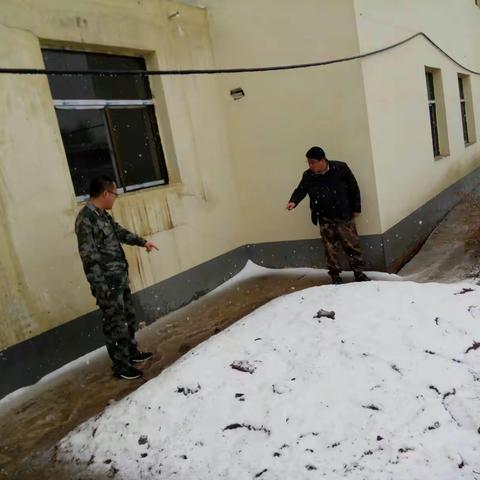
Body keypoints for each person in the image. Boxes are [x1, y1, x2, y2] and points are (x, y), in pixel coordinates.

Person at [75, 175, 159, 379]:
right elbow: (89, 257)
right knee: (115, 324)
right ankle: (121, 366)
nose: (115, 198)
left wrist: (142, 242)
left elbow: (119, 232)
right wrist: (101, 287)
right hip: (106, 284)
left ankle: (131, 352)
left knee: (128, 318)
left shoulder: (103, 215)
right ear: (105, 193)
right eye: (114, 194)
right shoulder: (86, 220)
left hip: (118, 278)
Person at [287, 146, 370, 285]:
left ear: (322, 160)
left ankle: (359, 272)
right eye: (308, 162)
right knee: (330, 249)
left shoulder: (340, 168)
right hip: (324, 217)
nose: (310, 165)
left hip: (344, 216)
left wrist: (356, 208)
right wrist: (293, 201)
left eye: (312, 162)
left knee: (352, 246)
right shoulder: (308, 175)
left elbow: (353, 187)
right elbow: (301, 189)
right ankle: (335, 276)